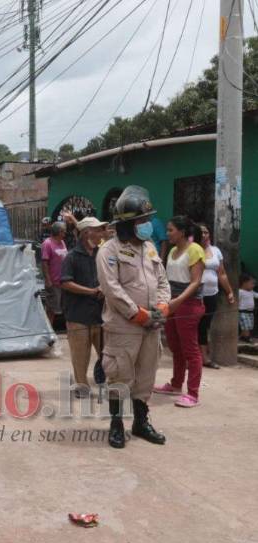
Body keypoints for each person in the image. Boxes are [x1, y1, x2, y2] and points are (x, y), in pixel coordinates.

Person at [97, 185, 170, 449]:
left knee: (146, 376)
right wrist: (136, 314)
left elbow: (162, 279)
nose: (148, 224)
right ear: (127, 224)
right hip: (123, 327)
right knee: (119, 375)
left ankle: (141, 422)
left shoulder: (149, 248)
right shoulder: (109, 250)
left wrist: (163, 306)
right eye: (142, 220)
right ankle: (116, 424)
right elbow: (111, 289)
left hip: (152, 325)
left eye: (147, 219)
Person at [153, 216, 205, 408]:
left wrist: (178, 300)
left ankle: (193, 393)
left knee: (191, 349)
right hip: (171, 303)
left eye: (170, 230)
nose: (167, 234)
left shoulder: (195, 250)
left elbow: (195, 281)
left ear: (182, 232)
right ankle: (176, 384)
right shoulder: (173, 250)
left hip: (189, 304)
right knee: (175, 347)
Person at [60, 216, 108, 399]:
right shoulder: (71, 257)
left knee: (107, 354)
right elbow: (65, 282)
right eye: (98, 230)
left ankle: (106, 383)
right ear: (87, 232)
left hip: (100, 314)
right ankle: (82, 387)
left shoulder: (101, 254)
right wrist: (91, 291)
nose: (101, 234)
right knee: (80, 357)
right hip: (77, 314)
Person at [197, 224, 235, 368]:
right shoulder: (191, 249)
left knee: (204, 325)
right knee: (194, 326)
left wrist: (229, 291)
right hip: (195, 296)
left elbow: (222, 273)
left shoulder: (215, 251)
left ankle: (204, 358)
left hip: (211, 294)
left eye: (206, 232)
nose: (204, 235)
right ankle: (195, 358)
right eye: (201, 232)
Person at [41, 221, 68, 326]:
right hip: (54, 282)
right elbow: (44, 262)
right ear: (59, 232)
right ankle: (49, 332)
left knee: (63, 308)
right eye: (64, 232)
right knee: (51, 310)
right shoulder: (47, 243)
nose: (65, 234)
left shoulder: (62, 242)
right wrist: (48, 280)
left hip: (64, 281)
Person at [238, 273, 258, 343]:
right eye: (252, 283)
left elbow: (257, 295)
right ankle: (247, 338)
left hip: (250, 312)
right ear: (244, 283)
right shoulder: (240, 292)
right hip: (243, 312)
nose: (253, 285)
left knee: (249, 326)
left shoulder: (251, 292)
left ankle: (241, 337)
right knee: (245, 327)